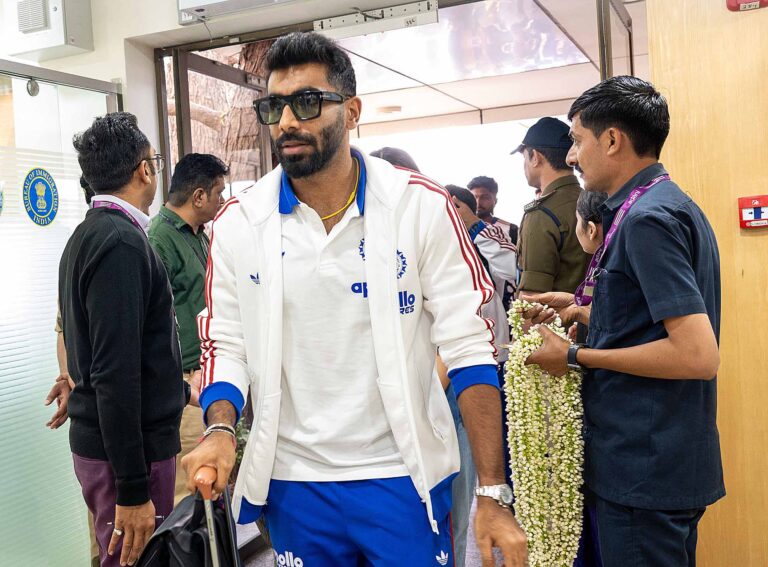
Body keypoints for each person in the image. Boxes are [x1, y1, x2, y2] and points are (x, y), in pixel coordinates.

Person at [182, 31, 527, 567]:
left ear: (352, 110)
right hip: (295, 482)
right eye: (274, 107)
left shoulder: (418, 207)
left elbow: (468, 346)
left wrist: (492, 491)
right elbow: (225, 343)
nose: (287, 122)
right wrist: (222, 427)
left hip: (403, 475)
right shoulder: (240, 222)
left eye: (307, 102)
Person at [524, 76, 724, 567]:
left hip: (643, 464)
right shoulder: (666, 204)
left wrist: (574, 356)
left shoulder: (646, 220)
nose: (572, 156)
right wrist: (579, 309)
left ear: (612, 140)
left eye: (577, 141)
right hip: (658, 459)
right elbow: (649, 321)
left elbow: (697, 355)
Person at [59, 112, 192, 567]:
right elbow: (115, 373)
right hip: (129, 455)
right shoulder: (119, 242)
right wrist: (133, 489)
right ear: (144, 170)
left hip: (116, 445)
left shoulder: (92, 233)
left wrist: (182, 390)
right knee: (136, 559)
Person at [147, 153, 228, 505]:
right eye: (218, 193)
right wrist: (182, 379)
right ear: (198, 196)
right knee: (188, 493)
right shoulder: (159, 239)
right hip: (184, 383)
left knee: (212, 488)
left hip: (208, 375)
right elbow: (151, 320)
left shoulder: (199, 236)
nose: (221, 201)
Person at [445, 184, 516, 567]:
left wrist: (472, 225)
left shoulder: (491, 235)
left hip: (484, 363)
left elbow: (511, 271)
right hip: (443, 371)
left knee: (470, 479)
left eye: (453, 205)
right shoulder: (432, 242)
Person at [44, 175, 100, 567]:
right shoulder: (103, 244)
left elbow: (63, 328)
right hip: (100, 414)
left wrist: (68, 378)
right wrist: (68, 379)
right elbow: (64, 326)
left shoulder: (78, 243)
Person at [512, 117, 590, 295]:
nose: (524, 166)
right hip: (591, 310)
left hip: (556, 313)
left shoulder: (541, 213)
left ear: (535, 157)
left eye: (525, 157)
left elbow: (532, 297)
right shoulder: (592, 200)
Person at [467, 175, 518, 308]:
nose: (478, 202)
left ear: (495, 200)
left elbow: (517, 268)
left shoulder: (511, 229)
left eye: (485, 197)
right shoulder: (459, 229)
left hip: (506, 301)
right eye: (474, 197)